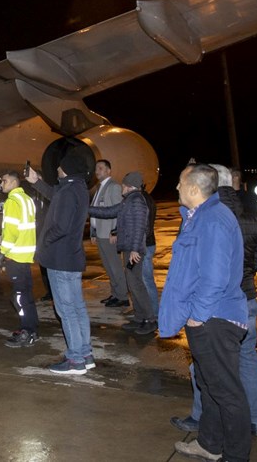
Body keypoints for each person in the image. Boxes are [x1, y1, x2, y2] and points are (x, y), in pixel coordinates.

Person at [171, 164, 257, 439]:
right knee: (247, 362)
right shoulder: (253, 218)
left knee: (210, 374)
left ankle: (201, 419)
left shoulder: (210, 216)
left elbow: (205, 270)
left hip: (217, 307)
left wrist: (197, 313)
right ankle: (255, 421)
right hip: (247, 298)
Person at [159, 164, 250, 462]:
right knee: (209, 385)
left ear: (195, 189)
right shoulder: (199, 217)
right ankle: (210, 445)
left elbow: (215, 276)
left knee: (226, 391)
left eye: (180, 183)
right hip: (208, 318)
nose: (176, 188)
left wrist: (198, 314)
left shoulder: (212, 220)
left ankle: (236, 456)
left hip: (215, 319)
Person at [26, 154, 93, 375]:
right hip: (72, 257)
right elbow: (56, 194)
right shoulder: (78, 188)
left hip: (60, 259)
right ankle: (85, 353)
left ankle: (75, 360)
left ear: (67, 168)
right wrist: (36, 181)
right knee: (77, 307)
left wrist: (44, 241)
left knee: (66, 310)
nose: (56, 170)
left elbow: (61, 227)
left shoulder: (69, 191)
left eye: (59, 166)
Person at [87, 171, 157, 335]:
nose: (121, 188)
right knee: (133, 283)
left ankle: (150, 319)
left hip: (134, 251)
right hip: (129, 249)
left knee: (136, 284)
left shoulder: (137, 201)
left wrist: (134, 249)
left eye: (123, 186)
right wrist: (88, 209)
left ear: (130, 186)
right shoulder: (129, 200)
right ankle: (140, 318)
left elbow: (141, 227)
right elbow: (110, 211)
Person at [0, 170, 39, 348]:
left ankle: (27, 332)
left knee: (20, 298)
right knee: (26, 296)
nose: (2, 184)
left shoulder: (12, 201)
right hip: (26, 254)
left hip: (15, 255)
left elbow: (11, 231)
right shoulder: (27, 199)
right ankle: (31, 330)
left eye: (4, 181)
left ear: (14, 182)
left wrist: (3, 252)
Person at [90, 159, 129, 308]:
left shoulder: (113, 187)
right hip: (100, 233)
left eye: (100, 168)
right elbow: (96, 211)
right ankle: (115, 293)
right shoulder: (100, 187)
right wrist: (93, 232)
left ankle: (123, 296)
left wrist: (115, 231)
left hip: (109, 234)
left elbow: (119, 211)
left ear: (108, 171)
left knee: (115, 266)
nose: (97, 171)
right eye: (96, 169)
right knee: (108, 266)